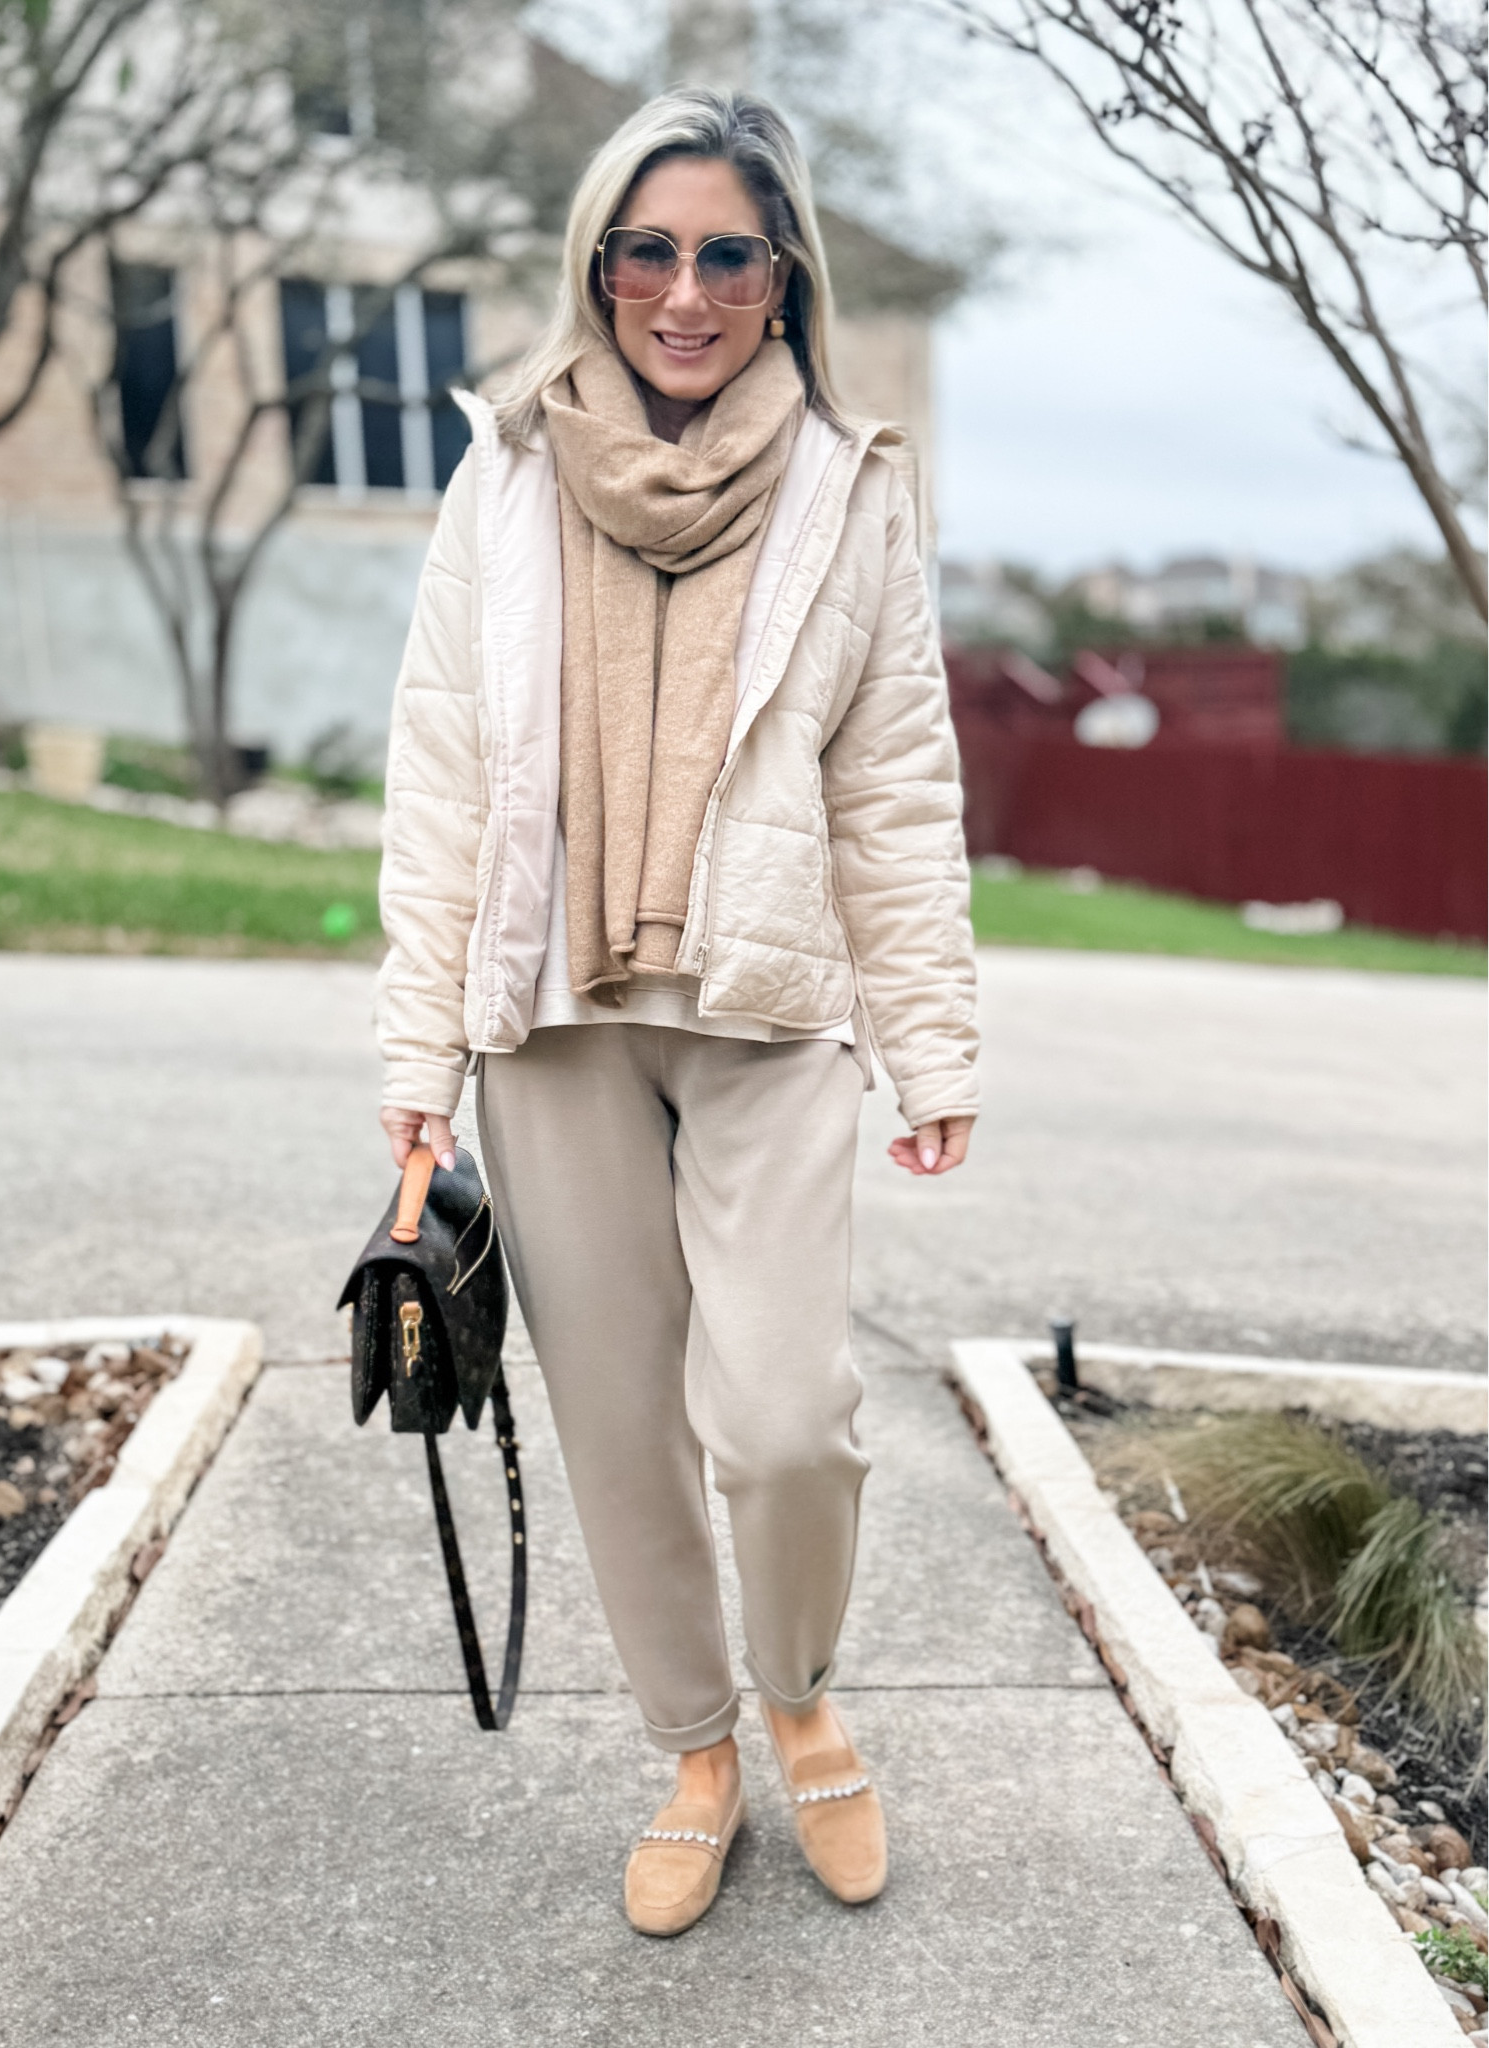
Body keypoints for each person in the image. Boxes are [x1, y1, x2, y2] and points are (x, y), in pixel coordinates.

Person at [375, 84, 978, 1937]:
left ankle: (799, 1692)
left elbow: (897, 782)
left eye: (728, 252)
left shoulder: (851, 489)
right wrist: (416, 1069)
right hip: (549, 1018)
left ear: (780, 274)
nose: (686, 291)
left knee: (789, 1418)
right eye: (649, 250)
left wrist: (934, 1034)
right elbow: (444, 781)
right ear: (598, 265)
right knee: (618, 1421)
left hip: (769, 1009)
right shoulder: (505, 474)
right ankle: (698, 1748)